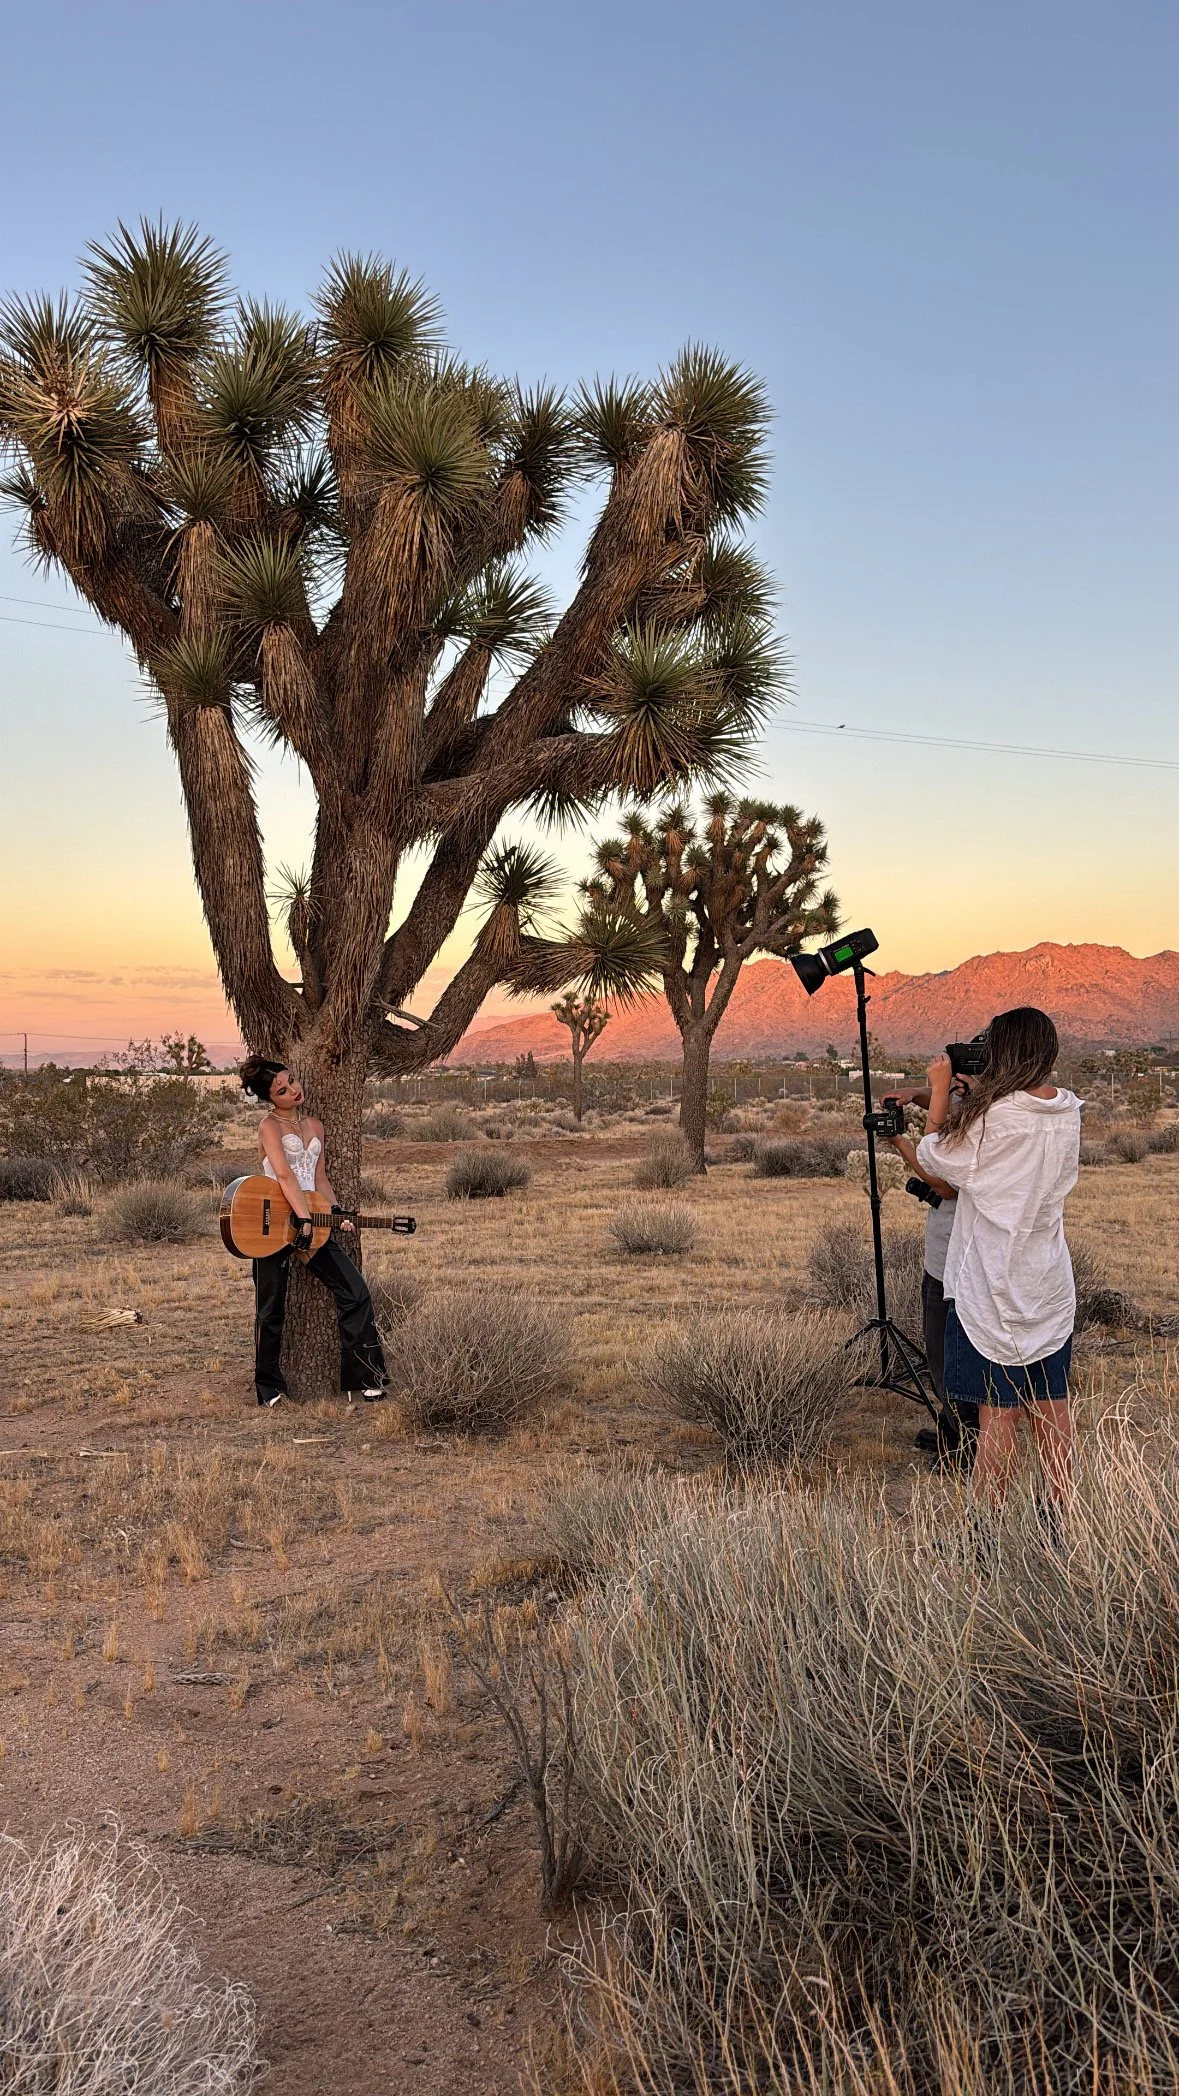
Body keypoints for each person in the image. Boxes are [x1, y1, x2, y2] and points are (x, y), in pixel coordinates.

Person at [914, 1009, 1081, 1502]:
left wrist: (941, 1090)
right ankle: (1059, 1519)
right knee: (1051, 1404)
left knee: (997, 1414)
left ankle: (986, 1536)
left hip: (991, 1287)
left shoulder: (998, 1118)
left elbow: (934, 1156)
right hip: (1046, 1280)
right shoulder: (1067, 1109)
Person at [239, 1056, 388, 1407]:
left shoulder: (316, 1125)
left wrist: (336, 1214)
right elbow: (285, 1176)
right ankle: (268, 1389)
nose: (293, 1090)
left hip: (312, 1221)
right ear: (270, 1098)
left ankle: (366, 1378)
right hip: (275, 1222)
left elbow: (318, 1178)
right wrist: (303, 1217)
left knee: (355, 1292)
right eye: (282, 1089)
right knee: (270, 1309)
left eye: (291, 1081)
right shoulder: (268, 1128)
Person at [882, 1094, 977, 1461]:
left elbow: (945, 1186)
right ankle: (951, 1428)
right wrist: (918, 1096)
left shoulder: (979, 1113)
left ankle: (964, 1447)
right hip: (942, 1255)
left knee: (946, 1356)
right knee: (942, 1351)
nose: (955, 1087)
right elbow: (949, 1108)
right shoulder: (973, 1104)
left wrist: (901, 1144)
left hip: (955, 1263)